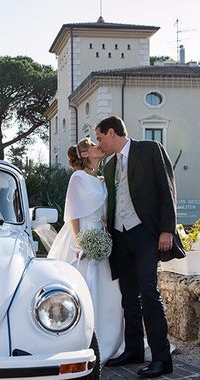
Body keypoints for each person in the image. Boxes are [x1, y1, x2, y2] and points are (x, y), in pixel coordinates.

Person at [95, 115, 177, 378]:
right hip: (120, 236)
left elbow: (167, 190)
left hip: (145, 234)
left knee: (149, 293)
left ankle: (162, 358)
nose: (99, 143)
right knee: (128, 296)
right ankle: (133, 350)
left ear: (111, 133)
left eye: (99, 138)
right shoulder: (109, 166)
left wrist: (167, 229)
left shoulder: (149, 149)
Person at [46, 138, 124, 365]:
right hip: (83, 237)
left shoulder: (100, 179)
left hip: (101, 235)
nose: (98, 146)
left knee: (110, 291)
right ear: (84, 153)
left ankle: (111, 340)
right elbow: (72, 213)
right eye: (92, 144)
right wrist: (81, 242)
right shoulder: (77, 177)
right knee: (84, 288)